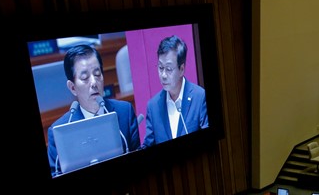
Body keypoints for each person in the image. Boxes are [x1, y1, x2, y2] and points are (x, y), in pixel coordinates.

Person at [47, 45, 141, 175]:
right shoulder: (59, 132)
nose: (94, 83)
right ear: (72, 87)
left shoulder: (125, 112)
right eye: (85, 78)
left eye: (97, 74)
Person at [143, 35, 209, 147]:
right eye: (160, 68)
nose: (163, 75)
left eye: (169, 69)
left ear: (181, 69)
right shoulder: (153, 107)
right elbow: (148, 146)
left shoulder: (199, 97)